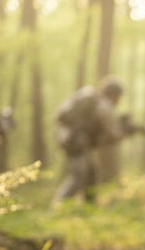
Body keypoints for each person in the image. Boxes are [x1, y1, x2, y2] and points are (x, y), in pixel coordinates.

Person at [52, 76, 138, 205]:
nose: (118, 101)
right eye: (118, 97)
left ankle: (90, 208)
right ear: (114, 95)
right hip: (76, 143)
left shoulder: (95, 102)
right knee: (78, 178)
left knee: (91, 175)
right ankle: (58, 208)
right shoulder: (104, 106)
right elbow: (113, 133)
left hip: (71, 141)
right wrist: (125, 131)